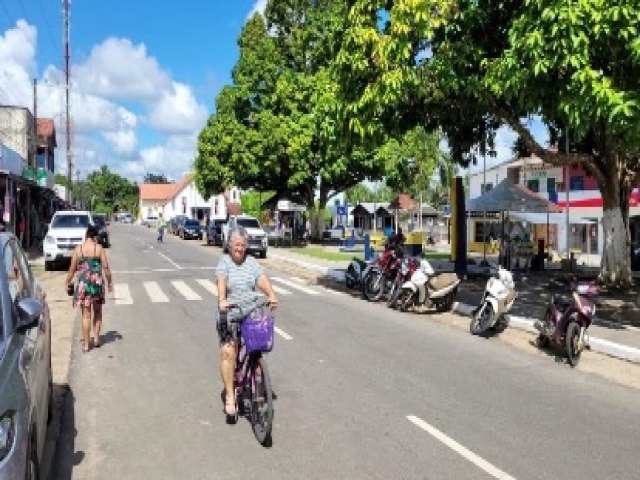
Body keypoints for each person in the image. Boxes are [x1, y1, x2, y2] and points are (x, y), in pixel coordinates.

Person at [216, 226, 278, 416]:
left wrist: (271, 294)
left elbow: (260, 279)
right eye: (236, 245)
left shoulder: (251, 262)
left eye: (243, 245)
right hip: (231, 311)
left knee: (257, 345)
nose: (240, 248)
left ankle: (255, 374)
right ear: (230, 245)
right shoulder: (224, 262)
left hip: (251, 308)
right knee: (228, 352)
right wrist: (222, 300)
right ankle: (230, 396)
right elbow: (221, 280)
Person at [65, 225, 113, 353]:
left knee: (86, 316)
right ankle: (96, 339)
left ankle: (86, 345)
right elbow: (106, 267)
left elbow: (72, 269)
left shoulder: (78, 249)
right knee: (97, 312)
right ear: (95, 236)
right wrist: (109, 282)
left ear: (86, 236)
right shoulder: (99, 248)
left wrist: (67, 282)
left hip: (83, 284)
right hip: (96, 283)